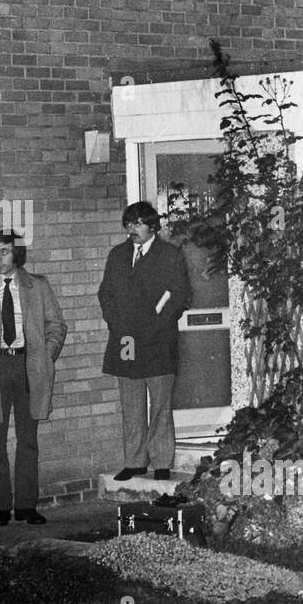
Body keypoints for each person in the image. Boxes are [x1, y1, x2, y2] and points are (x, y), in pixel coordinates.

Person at [0, 232, 67, 526]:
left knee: (27, 440)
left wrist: (46, 356)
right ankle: (0, 507)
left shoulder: (38, 287)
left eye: (5, 252)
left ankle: (25, 505)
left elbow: (56, 325)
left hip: (28, 367)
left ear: (17, 255)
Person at [98, 201, 192, 481]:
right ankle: (135, 461)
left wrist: (153, 325)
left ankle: (162, 462)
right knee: (132, 403)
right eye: (128, 224)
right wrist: (119, 326)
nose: (132, 229)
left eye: (137, 223)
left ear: (152, 226)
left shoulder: (169, 255)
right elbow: (106, 295)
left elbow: (180, 296)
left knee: (161, 403)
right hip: (125, 340)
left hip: (158, 339)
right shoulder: (117, 255)